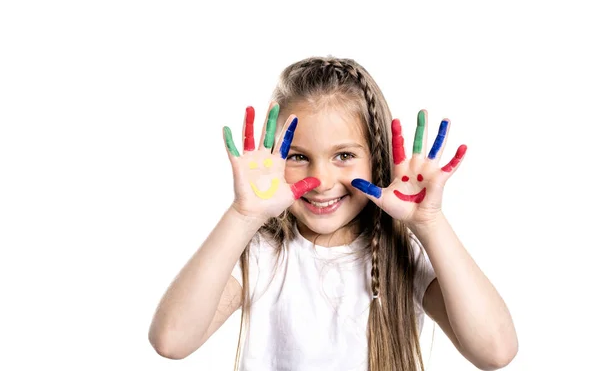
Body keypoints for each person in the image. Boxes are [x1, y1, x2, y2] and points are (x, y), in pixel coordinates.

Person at [148, 56, 518, 371]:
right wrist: (244, 214)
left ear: (377, 160)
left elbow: (496, 351)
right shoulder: (262, 254)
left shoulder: (402, 256)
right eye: (298, 157)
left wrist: (430, 223)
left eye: (344, 155)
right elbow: (171, 340)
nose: (321, 180)